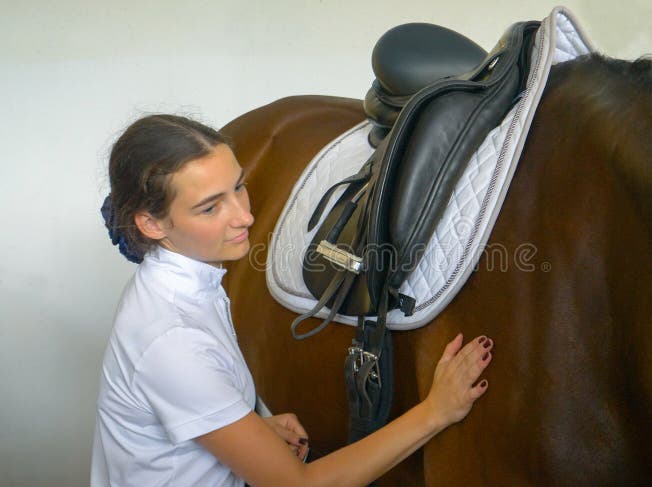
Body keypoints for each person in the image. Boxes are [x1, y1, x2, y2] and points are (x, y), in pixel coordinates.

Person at [91, 114, 494, 487]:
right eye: (211, 207)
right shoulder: (172, 338)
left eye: (239, 187)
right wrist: (436, 411)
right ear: (151, 223)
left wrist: (248, 428)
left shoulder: (176, 286)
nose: (244, 217)